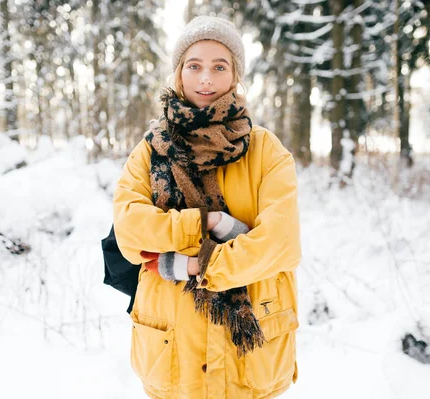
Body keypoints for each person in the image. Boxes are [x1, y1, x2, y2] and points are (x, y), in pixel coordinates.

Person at [112, 15, 301, 399]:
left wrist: (198, 266)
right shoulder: (151, 151)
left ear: (235, 77)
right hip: (172, 351)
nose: (205, 79)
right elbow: (130, 231)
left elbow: (281, 242)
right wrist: (206, 222)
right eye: (194, 66)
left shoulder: (266, 151)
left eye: (219, 67)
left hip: (248, 357)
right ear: (179, 72)